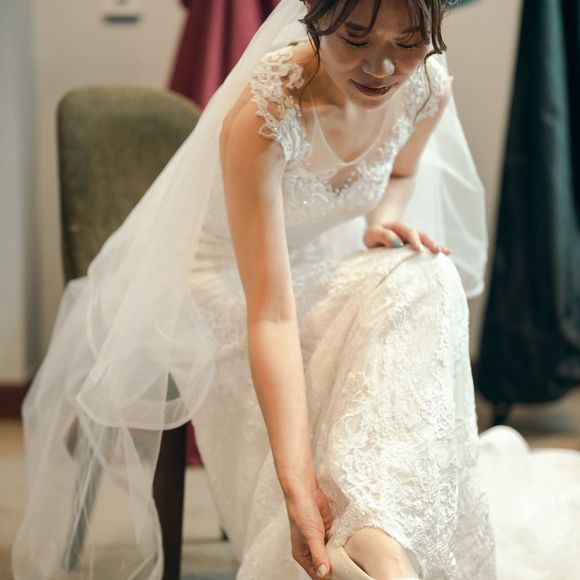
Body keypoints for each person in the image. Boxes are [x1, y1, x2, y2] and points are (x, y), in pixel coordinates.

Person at [12, 0, 580, 579]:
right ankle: (365, 544)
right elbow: (272, 316)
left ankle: (377, 532)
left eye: (408, 43)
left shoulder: (426, 86)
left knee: (427, 272)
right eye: (356, 38)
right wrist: (298, 486)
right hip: (225, 282)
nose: (381, 68)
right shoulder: (266, 114)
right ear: (313, 12)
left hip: (315, 265)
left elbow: (402, 172)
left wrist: (382, 219)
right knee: (335, 365)